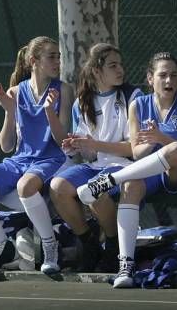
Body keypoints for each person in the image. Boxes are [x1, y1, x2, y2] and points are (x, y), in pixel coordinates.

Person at [76, 52, 177, 288]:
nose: (169, 81)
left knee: (174, 149)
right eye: (163, 75)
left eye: (173, 75)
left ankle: (112, 179)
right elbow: (136, 152)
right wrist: (153, 143)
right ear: (149, 79)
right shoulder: (138, 105)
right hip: (150, 171)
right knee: (131, 185)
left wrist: (160, 138)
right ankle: (126, 264)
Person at [0, 36, 73, 276]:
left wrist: (49, 115)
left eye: (59, 56)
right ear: (34, 61)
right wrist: (10, 113)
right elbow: (6, 145)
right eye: (52, 56)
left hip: (51, 160)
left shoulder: (63, 89)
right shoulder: (15, 92)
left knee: (25, 187)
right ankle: (0, 245)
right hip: (19, 161)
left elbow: (62, 141)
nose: (58, 61)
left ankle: (49, 245)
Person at [49, 43, 143, 274]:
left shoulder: (134, 96)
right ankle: (88, 241)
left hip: (124, 167)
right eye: (113, 65)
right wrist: (77, 145)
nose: (120, 69)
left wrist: (94, 144)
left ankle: (112, 246)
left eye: (120, 64)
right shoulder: (81, 102)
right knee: (57, 186)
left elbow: (134, 149)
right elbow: (88, 153)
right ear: (96, 71)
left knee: (94, 191)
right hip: (94, 167)